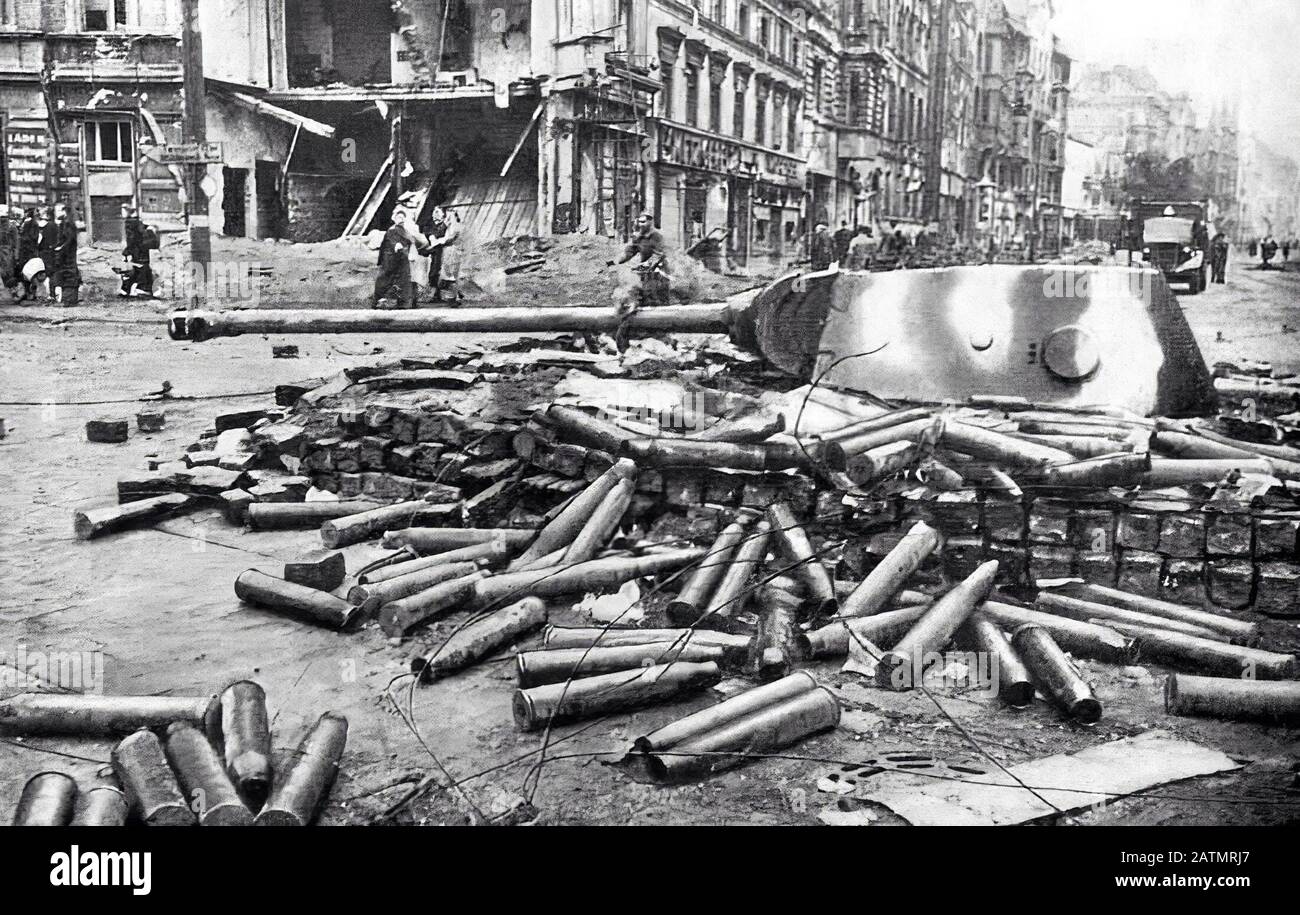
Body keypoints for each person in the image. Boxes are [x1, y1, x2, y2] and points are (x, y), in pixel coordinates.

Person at [371, 209, 414, 309]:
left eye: (403, 217)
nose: (401, 219)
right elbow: (393, 242)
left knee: (402, 280)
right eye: (399, 217)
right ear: (394, 219)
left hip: (400, 259)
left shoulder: (405, 231)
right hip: (390, 259)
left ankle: (402, 304)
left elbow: (410, 241)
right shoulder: (392, 230)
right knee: (385, 280)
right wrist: (397, 245)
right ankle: (377, 302)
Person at [420, 205, 462, 303]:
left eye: (438, 211)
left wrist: (439, 239)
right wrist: (442, 229)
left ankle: (452, 297)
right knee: (434, 273)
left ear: (443, 214)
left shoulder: (450, 225)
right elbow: (431, 234)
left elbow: (450, 236)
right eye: (434, 211)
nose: (435, 214)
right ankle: (435, 295)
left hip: (446, 252)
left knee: (447, 273)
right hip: (435, 253)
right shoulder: (430, 224)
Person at [120, 206, 159, 297]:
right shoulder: (135, 222)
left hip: (137, 249)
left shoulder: (130, 223)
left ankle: (127, 288)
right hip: (140, 249)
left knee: (140, 269)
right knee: (142, 269)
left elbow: (133, 237)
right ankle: (141, 288)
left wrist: (127, 250)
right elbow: (138, 234)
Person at [50, 204, 80, 305]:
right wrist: (56, 246)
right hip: (65, 254)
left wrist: (61, 248)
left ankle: (69, 299)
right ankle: (67, 299)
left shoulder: (68, 224)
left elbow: (69, 240)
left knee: (69, 274)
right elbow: (62, 239)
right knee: (64, 274)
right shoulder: (63, 223)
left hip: (69, 254)